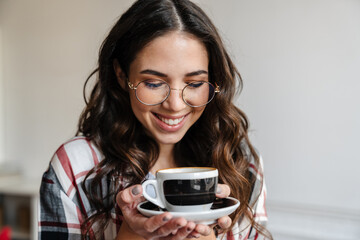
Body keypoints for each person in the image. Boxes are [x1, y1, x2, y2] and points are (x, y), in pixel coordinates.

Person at [38, 0, 271, 239]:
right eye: (153, 83)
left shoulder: (241, 165)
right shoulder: (76, 168)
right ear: (121, 75)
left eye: (195, 84)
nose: (175, 105)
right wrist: (131, 234)